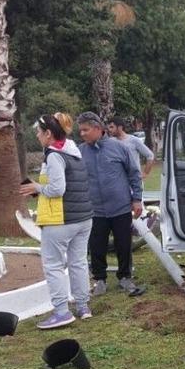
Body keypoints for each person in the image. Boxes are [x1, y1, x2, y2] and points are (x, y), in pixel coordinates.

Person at [20, 113, 94, 329]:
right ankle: (83, 306)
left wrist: (37, 188)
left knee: (53, 265)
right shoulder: (74, 152)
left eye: (39, 132)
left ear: (49, 133)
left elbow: (57, 189)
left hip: (60, 220)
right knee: (78, 262)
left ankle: (62, 311)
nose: (37, 135)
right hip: (83, 218)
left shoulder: (53, 156)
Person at [76, 111, 145, 297]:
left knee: (124, 244)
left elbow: (134, 174)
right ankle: (100, 280)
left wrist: (137, 199)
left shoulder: (119, 148)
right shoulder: (80, 151)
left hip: (120, 207)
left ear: (98, 129)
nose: (82, 134)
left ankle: (125, 277)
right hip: (95, 210)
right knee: (97, 245)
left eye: (85, 130)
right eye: (80, 130)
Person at [106, 117, 154, 183]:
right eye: (108, 128)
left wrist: (145, 173)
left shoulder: (134, 140)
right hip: (117, 182)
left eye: (112, 127)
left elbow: (150, 155)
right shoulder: (110, 142)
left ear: (120, 127)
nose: (109, 130)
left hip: (133, 182)